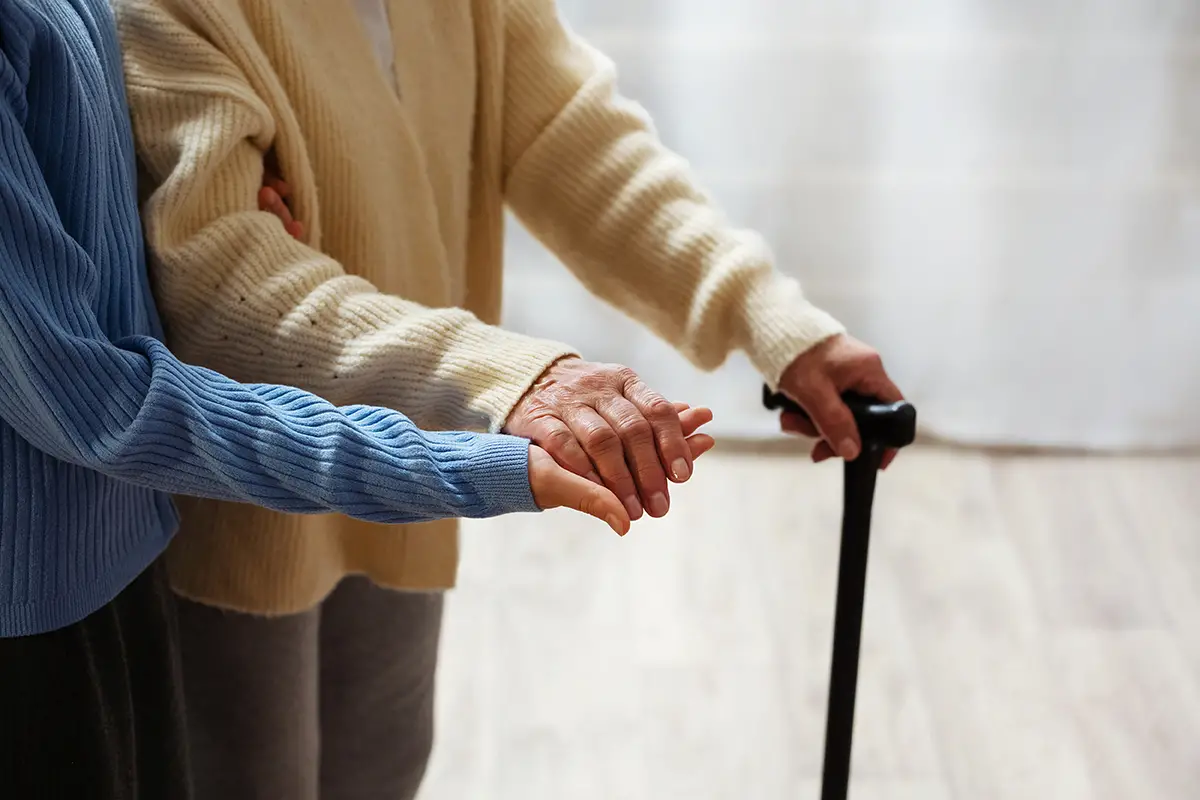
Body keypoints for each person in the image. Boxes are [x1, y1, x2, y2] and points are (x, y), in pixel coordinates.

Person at [113, 0, 906, 797]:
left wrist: (772, 320)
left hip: (406, 472)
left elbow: (572, 135)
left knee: (381, 766)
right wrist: (511, 377)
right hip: (233, 501)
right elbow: (223, 279)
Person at [0, 1, 716, 796]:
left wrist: (788, 338)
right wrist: (471, 446)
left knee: (384, 764)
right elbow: (107, 373)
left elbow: (571, 136)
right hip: (189, 522)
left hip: (182, 519)